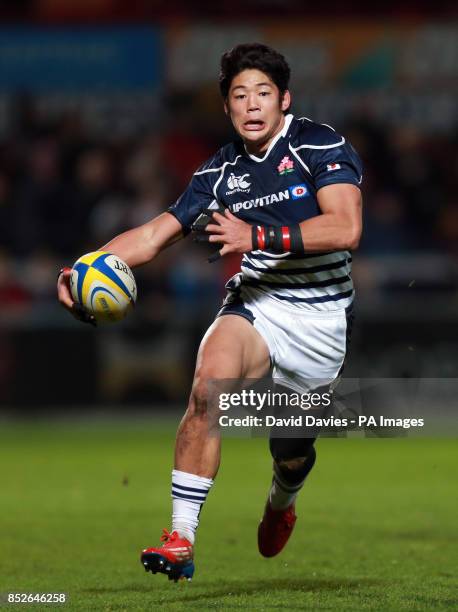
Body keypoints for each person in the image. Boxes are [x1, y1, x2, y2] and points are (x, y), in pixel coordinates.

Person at [57, 43, 363, 582]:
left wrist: (257, 234)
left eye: (263, 94)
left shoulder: (320, 144)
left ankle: (281, 499)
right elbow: (155, 235)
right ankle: (181, 537)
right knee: (208, 386)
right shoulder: (220, 172)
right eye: (239, 95)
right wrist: (85, 267)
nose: (251, 104)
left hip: (321, 319)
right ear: (227, 107)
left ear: (284, 100)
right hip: (258, 302)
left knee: (291, 451)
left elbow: (345, 228)